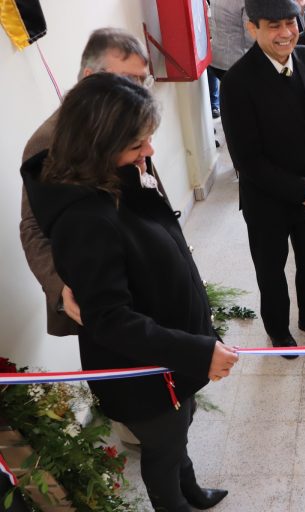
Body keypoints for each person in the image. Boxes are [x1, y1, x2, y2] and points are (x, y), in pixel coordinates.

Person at [21, 73, 237, 512]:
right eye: (139, 144)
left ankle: (190, 489)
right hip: (146, 372)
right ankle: (173, 503)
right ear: (99, 145)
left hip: (169, 353)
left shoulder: (116, 177)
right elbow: (111, 321)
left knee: (180, 429)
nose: (150, 152)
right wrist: (197, 351)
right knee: (163, 446)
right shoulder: (85, 220)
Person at [221, 0, 305, 356]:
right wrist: (301, 191)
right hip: (267, 199)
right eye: (273, 25)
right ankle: (278, 330)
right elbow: (248, 160)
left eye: (290, 22)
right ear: (252, 28)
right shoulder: (237, 81)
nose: (286, 33)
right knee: (271, 270)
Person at [20, 28, 159, 338]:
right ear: (89, 77)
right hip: (103, 290)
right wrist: (61, 287)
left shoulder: (128, 118)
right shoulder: (49, 140)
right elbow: (32, 226)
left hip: (145, 270)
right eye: (128, 80)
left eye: (142, 80)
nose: (138, 90)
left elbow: (144, 181)